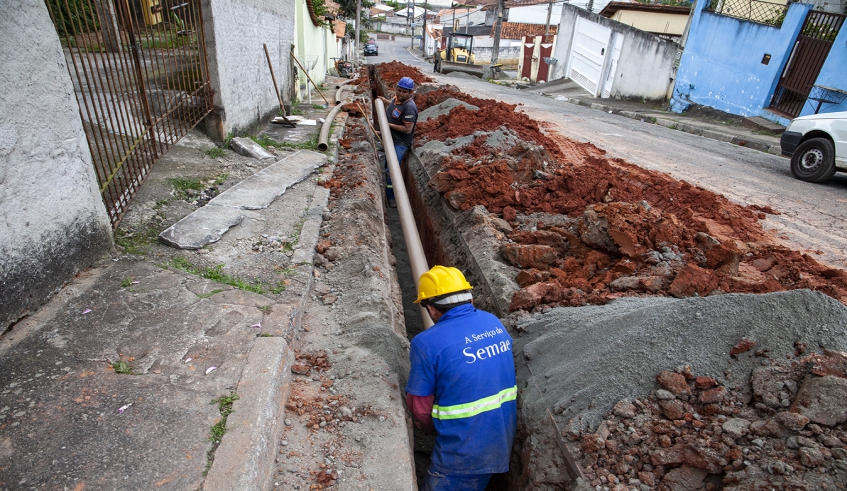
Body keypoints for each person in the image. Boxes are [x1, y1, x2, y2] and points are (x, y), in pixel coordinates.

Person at [405, 265, 517, 491]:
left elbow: (419, 406)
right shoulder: (493, 323)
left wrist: (428, 429)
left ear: (431, 309)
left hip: (461, 454)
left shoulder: (426, 343)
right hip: (501, 439)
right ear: (470, 299)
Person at [378, 76, 418, 208]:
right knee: (387, 167)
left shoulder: (409, 107)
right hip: (390, 139)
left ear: (410, 93)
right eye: (399, 90)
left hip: (399, 143)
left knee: (391, 170)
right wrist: (385, 101)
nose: (400, 93)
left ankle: (392, 198)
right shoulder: (397, 100)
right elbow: (396, 111)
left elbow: (407, 129)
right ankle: (387, 192)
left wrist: (386, 125)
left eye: (404, 92)